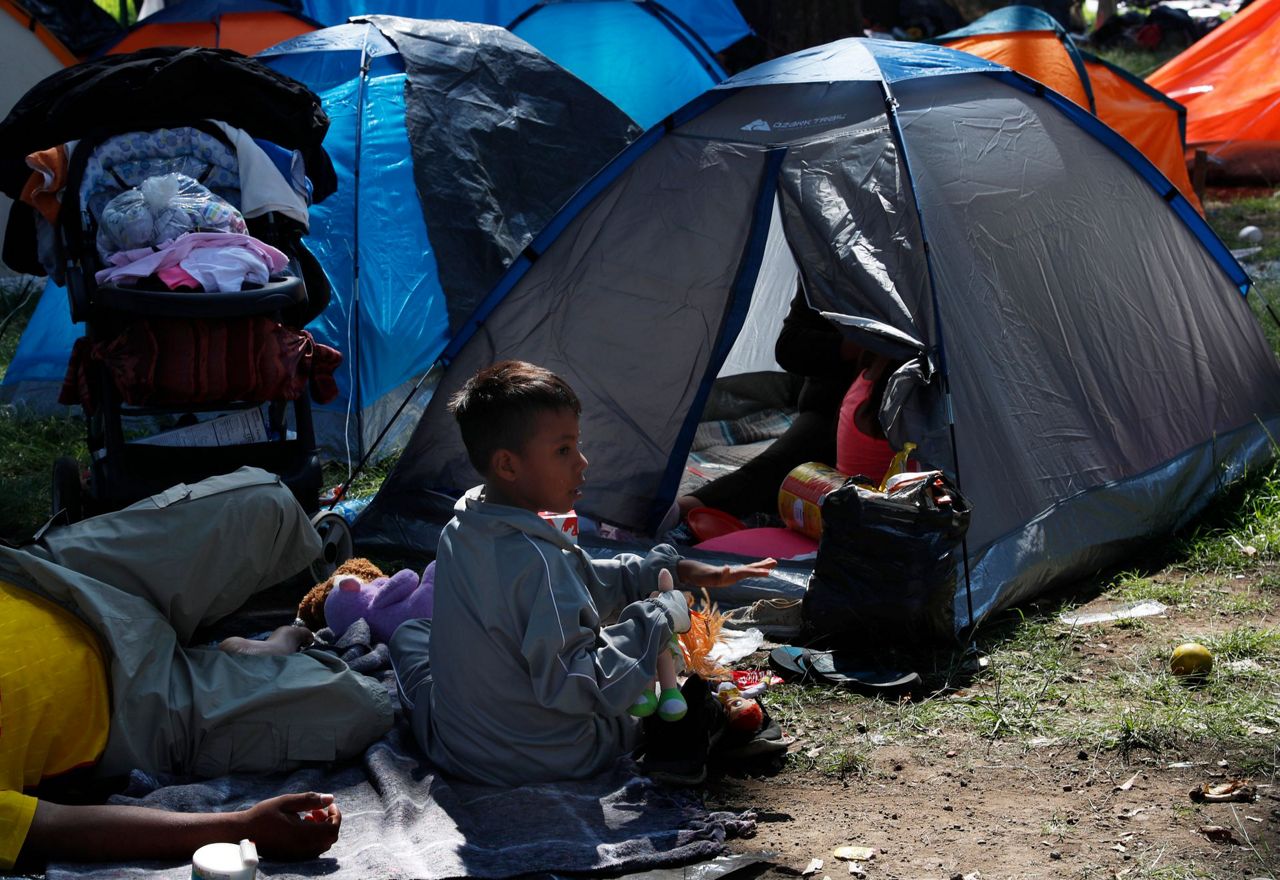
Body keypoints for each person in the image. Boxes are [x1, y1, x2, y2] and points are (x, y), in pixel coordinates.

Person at [388, 360, 776, 787]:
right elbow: (575, 682)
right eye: (563, 450)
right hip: (549, 757)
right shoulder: (537, 563)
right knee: (633, 699)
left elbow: (573, 580)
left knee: (413, 634)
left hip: (456, 744)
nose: (582, 462)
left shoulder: (465, 523)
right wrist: (655, 619)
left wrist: (665, 570)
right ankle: (693, 730)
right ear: (508, 465)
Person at [0, 467, 394, 870]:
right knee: (362, 706)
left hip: (50, 574)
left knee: (268, 500)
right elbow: (52, 829)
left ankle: (234, 645)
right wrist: (242, 828)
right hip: (131, 704)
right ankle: (255, 653)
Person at [678, 290, 886, 518]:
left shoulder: (920, 273)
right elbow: (789, 347)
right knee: (775, 474)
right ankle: (688, 509)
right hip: (830, 411)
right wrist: (854, 345)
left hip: (897, 413)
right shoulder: (830, 268)